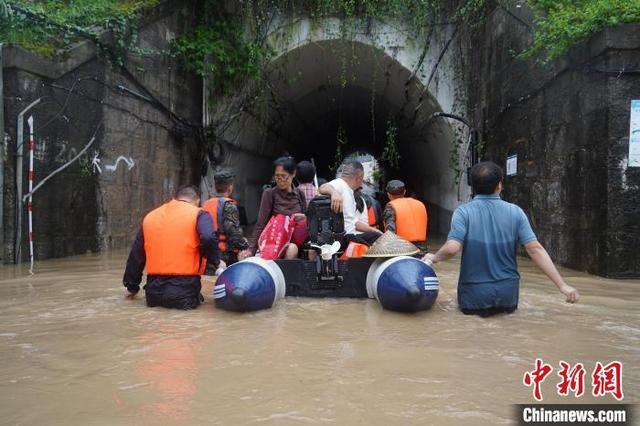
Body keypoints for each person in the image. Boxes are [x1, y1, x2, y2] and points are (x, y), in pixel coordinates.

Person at [423, 161, 579, 316]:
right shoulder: (516, 212)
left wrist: (434, 258)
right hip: (508, 295)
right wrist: (562, 286)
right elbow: (535, 249)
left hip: (474, 295)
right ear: (499, 186)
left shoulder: (463, 213)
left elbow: (452, 248)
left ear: (473, 187)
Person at [123, 185, 220, 310]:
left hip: (153, 294)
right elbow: (208, 237)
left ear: (174, 198)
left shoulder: (150, 217)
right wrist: (216, 261)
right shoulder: (198, 214)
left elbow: (136, 255)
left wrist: (132, 287)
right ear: (196, 201)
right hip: (184, 291)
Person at [251, 157, 306, 259]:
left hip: (297, 240)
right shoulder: (270, 194)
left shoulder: (300, 194)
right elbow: (261, 223)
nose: (280, 180)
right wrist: (251, 250)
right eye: (277, 176)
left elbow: (306, 220)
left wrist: (303, 218)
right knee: (292, 249)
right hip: (275, 242)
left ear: (293, 174)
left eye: (283, 176)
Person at [319, 159, 382, 248]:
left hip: (351, 236)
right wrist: (334, 193)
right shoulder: (339, 184)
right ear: (359, 178)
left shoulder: (349, 191)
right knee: (373, 244)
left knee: (378, 236)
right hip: (343, 238)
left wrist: (373, 230)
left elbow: (354, 222)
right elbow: (322, 187)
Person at [202, 170, 252, 267]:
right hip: (224, 255)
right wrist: (246, 246)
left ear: (215, 187)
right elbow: (233, 233)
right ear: (230, 188)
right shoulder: (228, 205)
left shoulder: (206, 204)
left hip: (207, 253)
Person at [383, 179, 428, 249]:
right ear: (404, 192)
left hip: (402, 249)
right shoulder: (420, 204)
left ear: (388, 194)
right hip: (421, 249)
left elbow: (390, 234)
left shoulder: (391, 207)